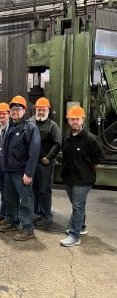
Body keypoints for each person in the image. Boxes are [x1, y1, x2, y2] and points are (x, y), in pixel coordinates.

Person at [60, 105, 104, 247]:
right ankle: (82, 227)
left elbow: (97, 162)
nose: (74, 122)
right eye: (72, 119)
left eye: (77, 119)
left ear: (83, 120)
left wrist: (83, 170)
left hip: (83, 180)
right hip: (68, 178)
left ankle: (74, 235)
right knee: (77, 205)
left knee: (78, 206)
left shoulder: (91, 139)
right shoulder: (66, 137)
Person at [0, 95, 40, 241]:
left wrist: (28, 173)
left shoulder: (30, 128)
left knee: (26, 200)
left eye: (18, 109)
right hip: (9, 171)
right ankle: (13, 221)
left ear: (24, 111)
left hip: (21, 173)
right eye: (12, 109)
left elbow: (34, 152)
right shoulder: (11, 125)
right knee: (10, 199)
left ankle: (28, 229)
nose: (15, 111)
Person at [31, 97, 61, 226]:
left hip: (45, 164)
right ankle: (36, 213)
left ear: (48, 110)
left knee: (44, 190)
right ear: (35, 110)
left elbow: (57, 143)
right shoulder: (30, 122)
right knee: (33, 189)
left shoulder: (52, 126)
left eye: (44, 110)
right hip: (32, 163)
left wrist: (48, 157)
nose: (41, 112)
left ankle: (46, 216)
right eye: (39, 109)